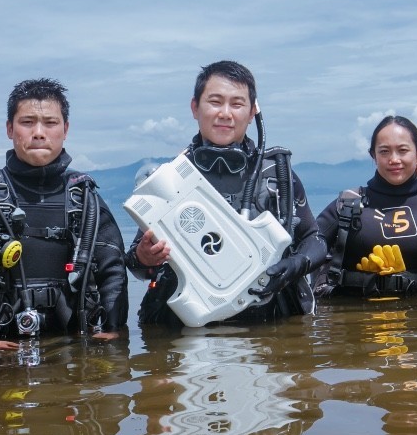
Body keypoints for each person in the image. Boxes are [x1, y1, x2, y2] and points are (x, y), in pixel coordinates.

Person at [0, 79, 127, 348]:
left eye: (50, 123)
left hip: (71, 350)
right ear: (10, 129)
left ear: (65, 129)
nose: (39, 132)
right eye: (27, 122)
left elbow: (112, 269)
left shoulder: (86, 200)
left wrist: (113, 329)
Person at [126, 60, 327, 327]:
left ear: (253, 111)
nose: (225, 113)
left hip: (271, 326)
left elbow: (315, 240)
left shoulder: (276, 174)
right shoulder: (169, 179)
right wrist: (144, 257)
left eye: (237, 104)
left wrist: (295, 266)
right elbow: (137, 264)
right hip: (190, 331)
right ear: (195, 108)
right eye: (215, 102)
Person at [314, 115, 417, 298]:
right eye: (384, 151)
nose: (394, 159)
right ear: (373, 155)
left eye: (402, 150)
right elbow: (306, 249)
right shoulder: (346, 206)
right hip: (354, 319)